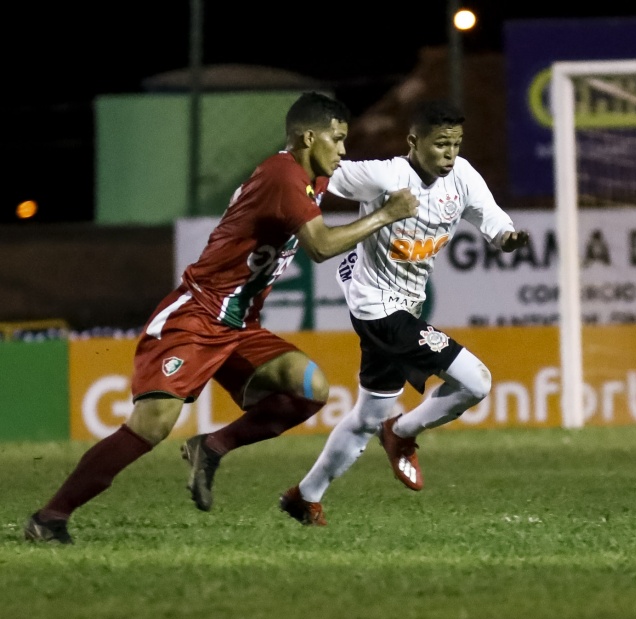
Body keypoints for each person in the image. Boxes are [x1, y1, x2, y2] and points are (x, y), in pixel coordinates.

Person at [23, 91, 419, 544]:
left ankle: (211, 446)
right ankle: (50, 516)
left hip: (237, 326)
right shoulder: (284, 176)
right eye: (338, 139)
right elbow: (321, 246)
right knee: (150, 425)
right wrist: (388, 214)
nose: (344, 150)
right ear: (309, 137)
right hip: (196, 316)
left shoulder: (312, 176)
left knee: (309, 387)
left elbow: (362, 183)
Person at [278, 99, 530, 526]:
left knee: (368, 416)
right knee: (477, 380)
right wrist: (276, 178)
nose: (449, 154)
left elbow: (490, 216)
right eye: (440, 145)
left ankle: (305, 496)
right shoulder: (383, 175)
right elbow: (313, 168)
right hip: (377, 308)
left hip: (404, 305)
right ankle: (402, 433)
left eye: (455, 144)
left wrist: (506, 237)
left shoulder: (462, 176)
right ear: (413, 141)